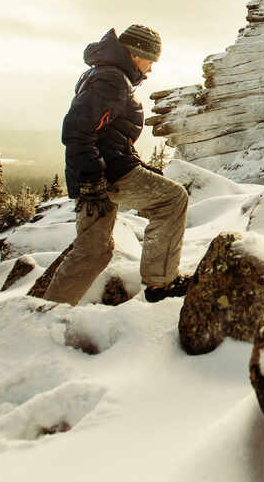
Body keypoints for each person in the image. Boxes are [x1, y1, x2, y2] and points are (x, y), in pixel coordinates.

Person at [43, 25, 190, 305]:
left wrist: (99, 177)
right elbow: (78, 130)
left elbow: (109, 135)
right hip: (107, 173)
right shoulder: (112, 80)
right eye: (151, 61)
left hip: (97, 174)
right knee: (172, 200)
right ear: (137, 54)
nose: (150, 69)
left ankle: (48, 308)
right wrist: (92, 179)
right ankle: (161, 283)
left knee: (94, 249)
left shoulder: (102, 73)